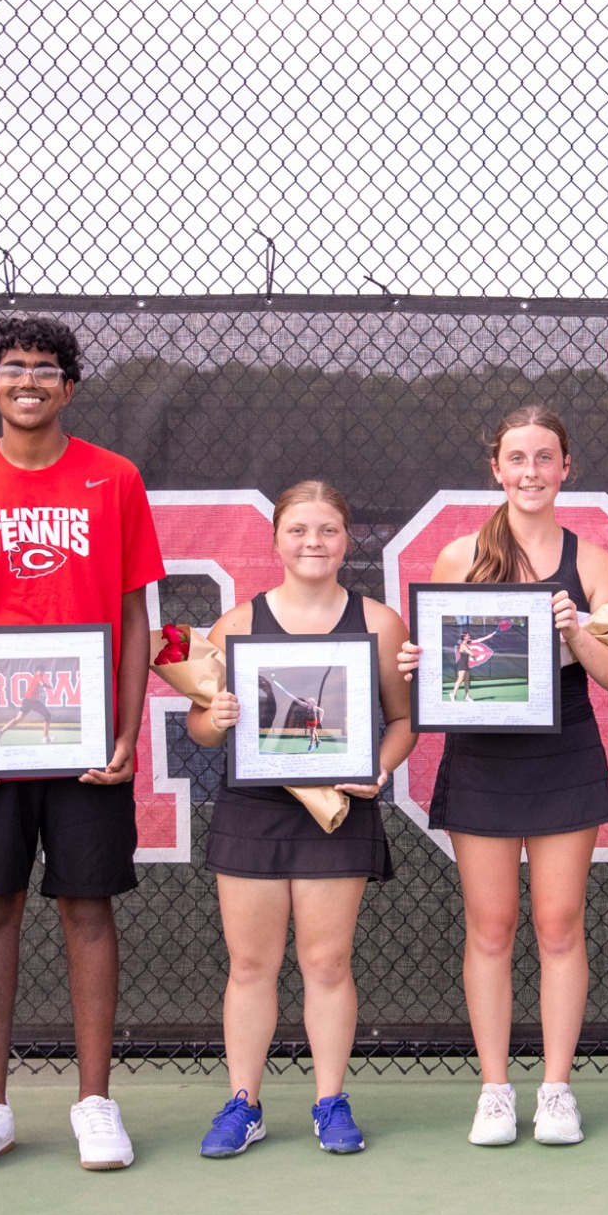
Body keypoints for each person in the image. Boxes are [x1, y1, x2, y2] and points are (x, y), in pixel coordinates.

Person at [0, 316, 164, 1174]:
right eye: (12, 368)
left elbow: (134, 617)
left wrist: (130, 727)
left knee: (88, 907)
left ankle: (95, 1099)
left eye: (47, 368)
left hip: (88, 735)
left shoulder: (114, 478)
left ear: (69, 385)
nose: (29, 380)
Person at [398, 406, 608, 1146]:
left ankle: (557, 1088)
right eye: (517, 458)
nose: (530, 471)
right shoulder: (458, 556)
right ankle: (496, 1089)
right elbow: (440, 680)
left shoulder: (592, 561)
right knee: (492, 926)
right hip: (482, 757)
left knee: (560, 924)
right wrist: (416, 669)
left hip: (564, 751)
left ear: (566, 468)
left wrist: (576, 628)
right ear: (495, 469)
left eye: (544, 457)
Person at [186, 481, 413, 1156]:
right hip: (253, 808)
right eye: (299, 530)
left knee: (327, 960)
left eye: (327, 530)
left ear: (348, 539)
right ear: (276, 539)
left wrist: (379, 766)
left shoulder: (379, 622)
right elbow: (201, 728)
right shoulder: (237, 624)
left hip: (337, 811)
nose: (313, 542)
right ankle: (243, 1102)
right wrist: (213, 718)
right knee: (251, 963)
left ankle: (329, 1100)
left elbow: (404, 721)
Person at [450, 631, 476, 701]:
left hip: (466, 664)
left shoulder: (467, 644)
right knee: (460, 679)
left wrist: (489, 636)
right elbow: (471, 653)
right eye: (468, 636)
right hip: (461, 664)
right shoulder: (463, 645)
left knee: (467, 680)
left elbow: (478, 640)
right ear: (464, 637)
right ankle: (453, 694)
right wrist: (473, 655)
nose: (469, 636)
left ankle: (467, 696)